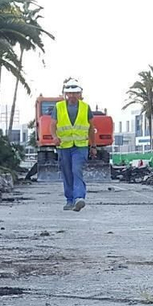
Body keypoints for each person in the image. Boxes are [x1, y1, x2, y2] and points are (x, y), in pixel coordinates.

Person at [55, 78, 90, 211]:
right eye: (70, 93)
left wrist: (93, 146)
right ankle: (70, 200)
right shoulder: (59, 107)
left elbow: (91, 126)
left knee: (76, 170)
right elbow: (53, 124)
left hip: (80, 146)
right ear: (65, 94)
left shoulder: (85, 107)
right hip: (64, 146)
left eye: (75, 93)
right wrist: (54, 137)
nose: (72, 96)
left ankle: (79, 198)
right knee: (67, 173)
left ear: (80, 94)